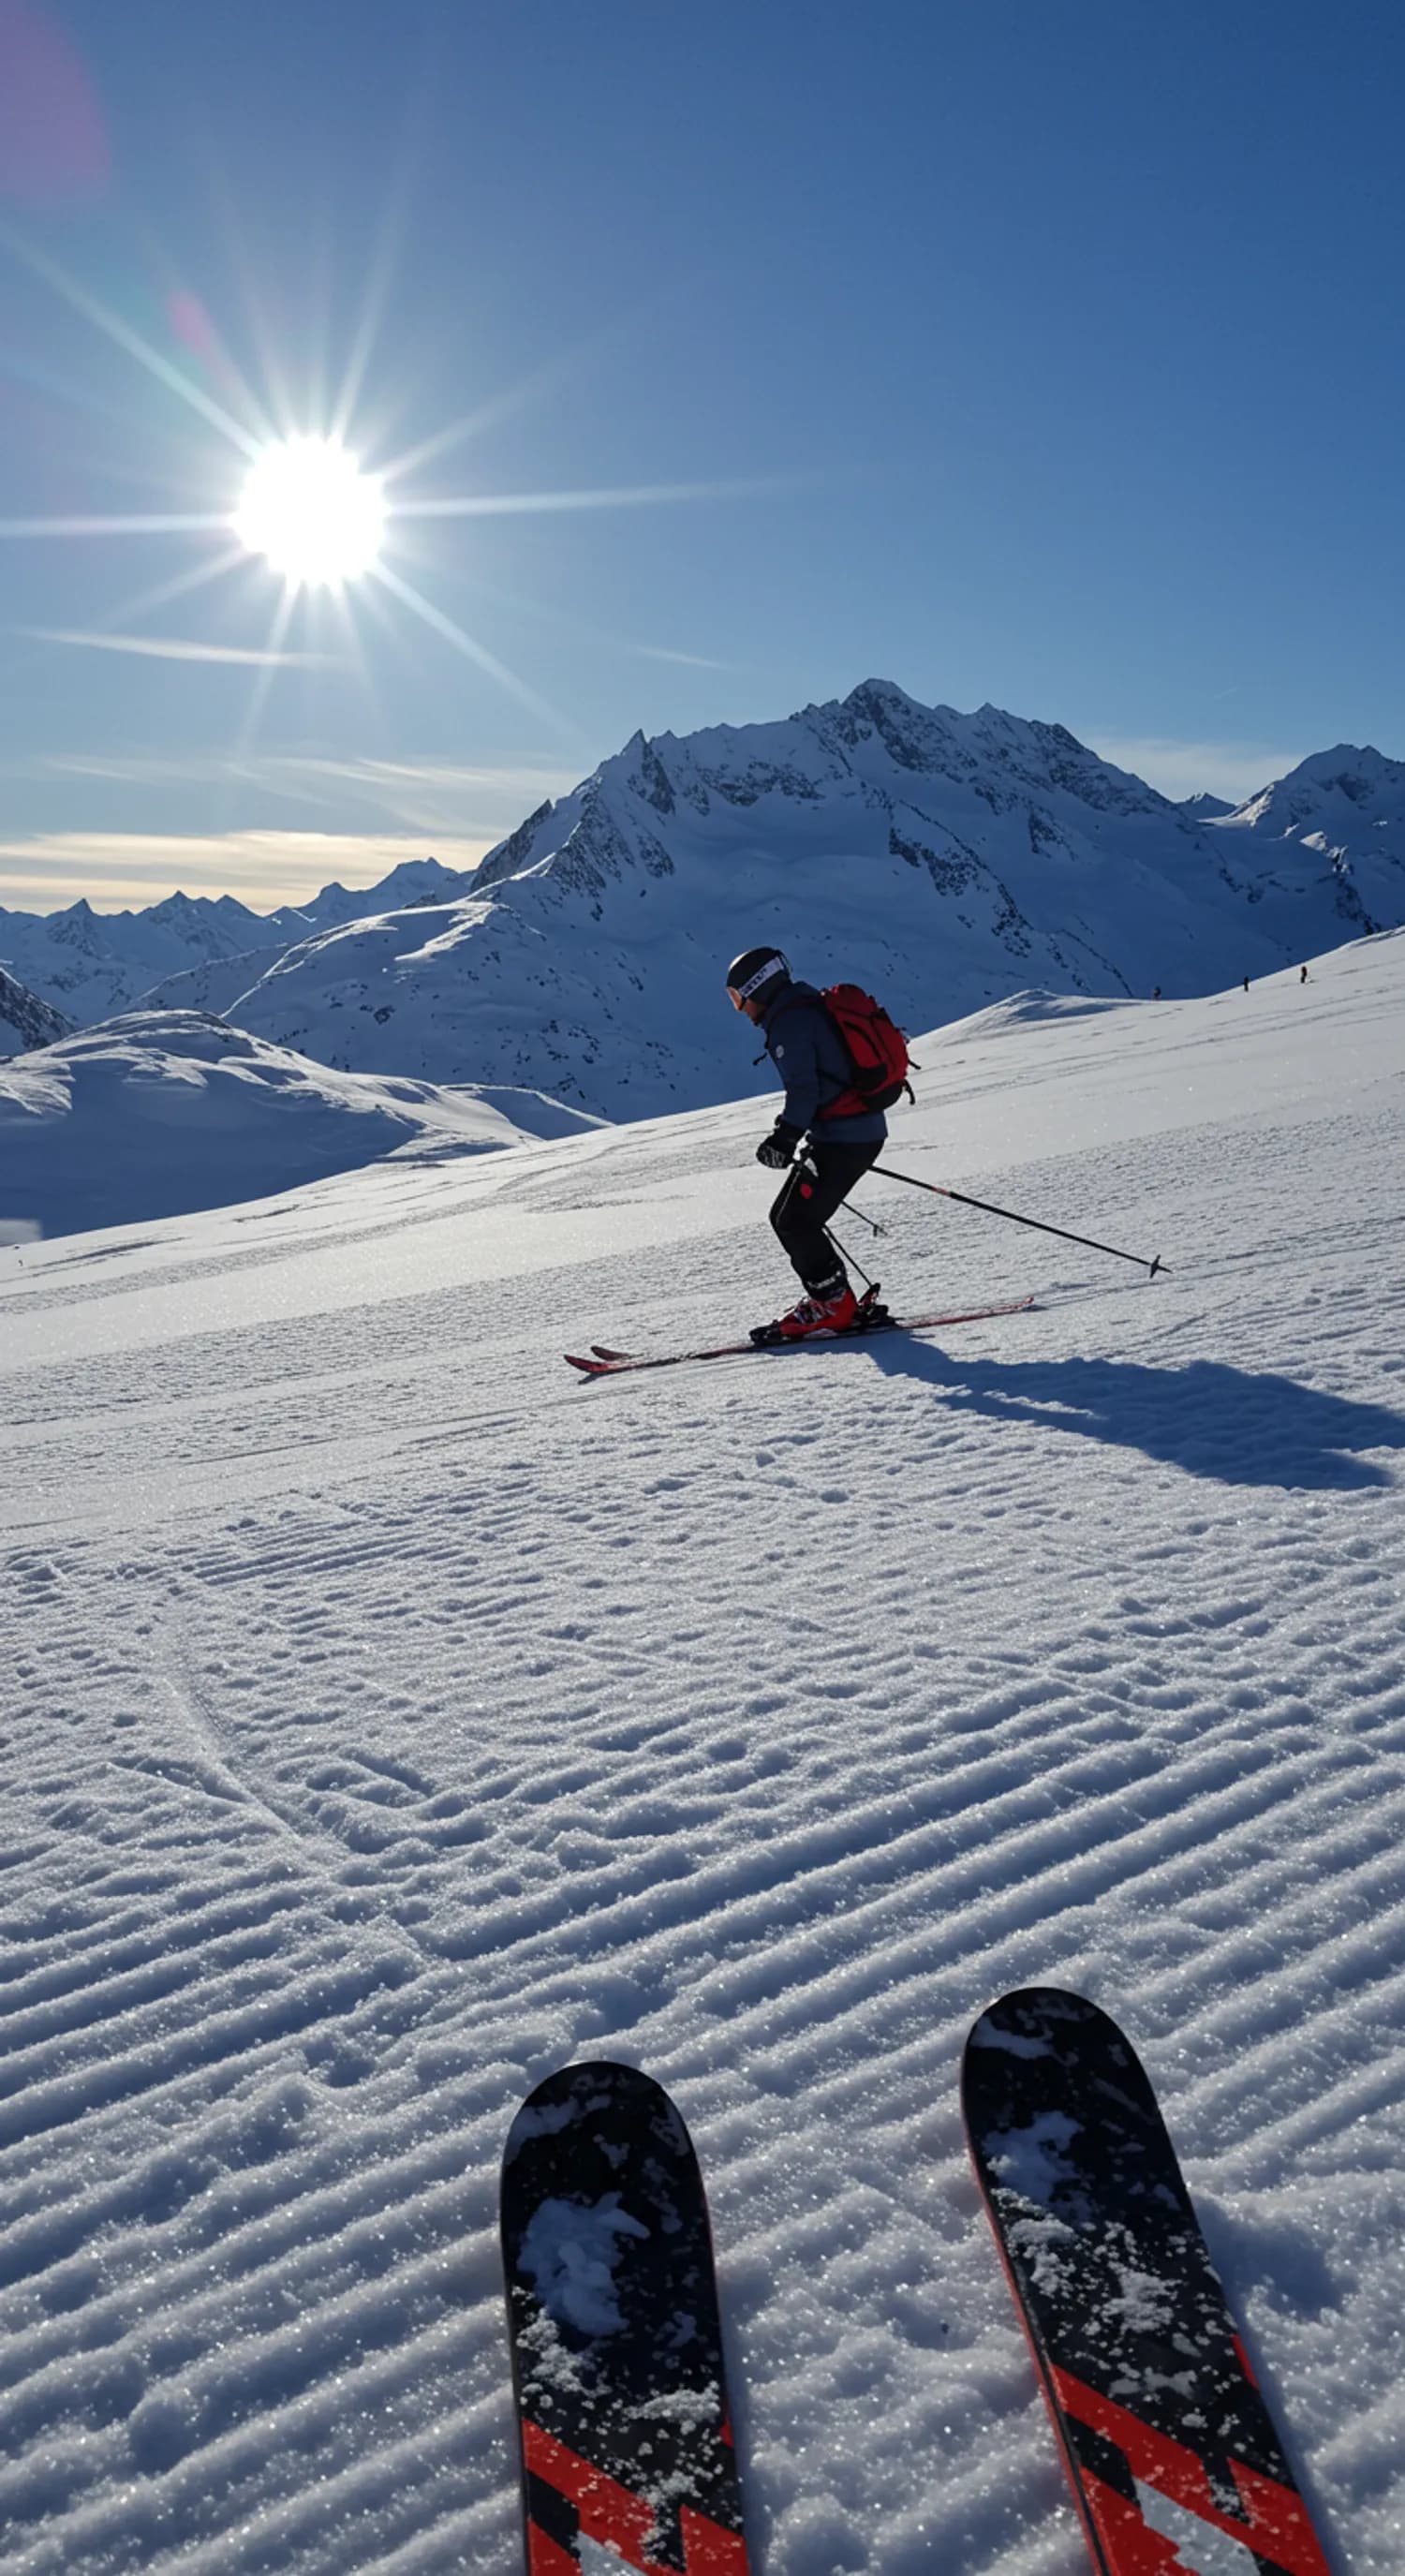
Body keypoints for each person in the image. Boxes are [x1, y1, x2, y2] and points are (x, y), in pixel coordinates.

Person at [725, 947, 887, 1340]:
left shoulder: (790, 1022)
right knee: (791, 1216)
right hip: (851, 1134)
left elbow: (804, 1089)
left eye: (736, 997)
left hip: (846, 1138)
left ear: (755, 988)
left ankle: (833, 1306)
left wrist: (784, 1138)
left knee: (794, 1221)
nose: (740, 1009)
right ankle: (834, 1302)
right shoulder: (803, 1006)